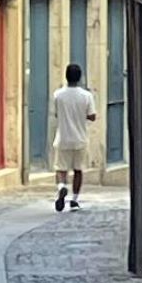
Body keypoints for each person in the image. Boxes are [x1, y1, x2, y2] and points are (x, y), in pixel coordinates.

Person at [50, 63, 96, 211]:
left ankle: (62, 186)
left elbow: (56, 113)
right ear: (80, 77)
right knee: (78, 170)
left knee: (60, 168)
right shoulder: (86, 96)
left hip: (63, 137)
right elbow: (92, 116)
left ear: (66, 76)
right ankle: (74, 200)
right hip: (80, 138)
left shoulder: (58, 95)